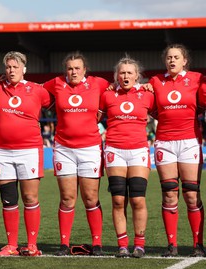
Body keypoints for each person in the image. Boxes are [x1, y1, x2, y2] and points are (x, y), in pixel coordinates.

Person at [0, 51, 53, 256]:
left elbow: (60, 104)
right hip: (3, 151)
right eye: (8, 67)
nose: (11, 70)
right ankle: (11, 245)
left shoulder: (37, 90)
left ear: (24, 69)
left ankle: (32, 245)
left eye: (15, 67)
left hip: (29, 150)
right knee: (8, 199)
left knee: (30, 197)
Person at [42, 52, 109, 256]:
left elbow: (117, 90)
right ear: (65, 71)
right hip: (64, 149)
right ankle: (63, 244)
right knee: (67, 198)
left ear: (84, 70)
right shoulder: (56, 83)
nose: (73, 72)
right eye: (70, 68)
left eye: (77, 68)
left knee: (90, 197)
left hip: (90, 148)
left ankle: (96, 243)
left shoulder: (98, 83)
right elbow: (35, 91)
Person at [149, 44, 205, 257]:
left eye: (176, 57)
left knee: (191, 194)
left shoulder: (197, 79)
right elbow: (151, 107)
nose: (172, 60)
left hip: (189, 141)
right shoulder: (155, 81)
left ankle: (198, 244)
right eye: (169, 57)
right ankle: (171, 245)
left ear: (185, 61)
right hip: (165, 143)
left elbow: (201, 105)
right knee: (169, 195)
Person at [99, 56, 154, 258]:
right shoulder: (107, 95)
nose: (125, 76)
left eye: (130, 72)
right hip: (115, 151)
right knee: (118, 201)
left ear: (137, 75)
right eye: (122, 72)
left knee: (138, 200)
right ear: (116, 76)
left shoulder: (148, 94)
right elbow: (92, 117)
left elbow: (162, 114)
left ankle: (139, 245)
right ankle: (122, 245)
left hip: (138, 151)